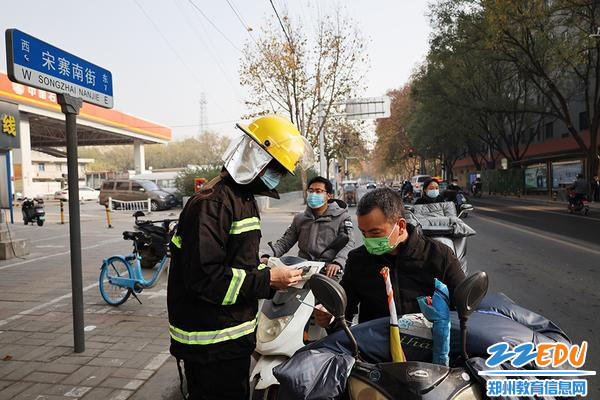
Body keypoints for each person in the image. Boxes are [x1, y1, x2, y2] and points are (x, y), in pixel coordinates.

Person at [167, 115, 314, 400]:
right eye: (276, 168)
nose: (278, 177)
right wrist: (267, 279)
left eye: (282, 172)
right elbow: (206, 279)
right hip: (211, 345)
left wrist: (261, 268)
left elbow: (232, 262)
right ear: (254, 157)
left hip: (231, 338)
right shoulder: (213, 203)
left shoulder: (242, 198)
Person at [315, 188, 466, 327]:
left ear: (400, 225)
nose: (367, 239)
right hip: (376, 349)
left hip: (431, 349)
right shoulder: (358, 260)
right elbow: (344, 313)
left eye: (375, 233)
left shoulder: (440, 255)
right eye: (363, 233)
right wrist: (330, 317)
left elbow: (463, 310)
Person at [261, 176, 355, 277]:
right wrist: (267, 255)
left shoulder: (342, 218)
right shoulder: (300, 219)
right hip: (302, 269)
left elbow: (348, 244)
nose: (313, 194)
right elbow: (285, 242)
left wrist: (338, 263)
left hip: (328, 272)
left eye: (318, 191)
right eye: (311, 191)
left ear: (329, 196)